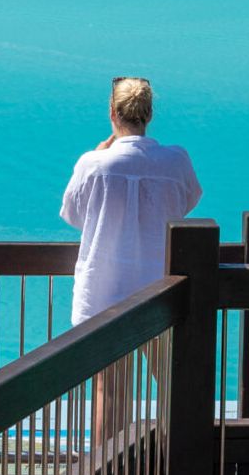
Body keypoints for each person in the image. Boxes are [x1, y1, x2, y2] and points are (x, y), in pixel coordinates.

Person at [60, 77, 204, 322]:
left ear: (113, 114)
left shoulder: (92, 164)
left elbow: (73, 214)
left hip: (99, 294)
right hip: (161, 292)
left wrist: (97, 157)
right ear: (149, 115)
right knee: (163, 361)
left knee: (103, 360)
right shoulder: (176, 161)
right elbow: (186, 203)